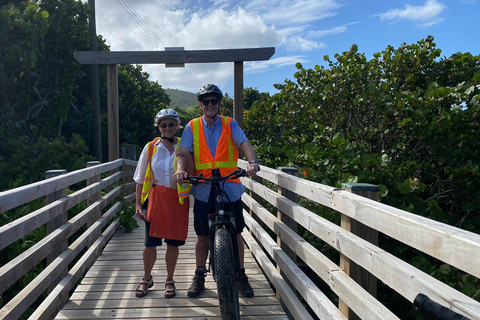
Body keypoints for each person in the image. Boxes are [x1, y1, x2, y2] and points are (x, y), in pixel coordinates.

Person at [173, 84, 261, 298]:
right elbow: (182, 153)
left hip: (229, 183)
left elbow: (244, 144)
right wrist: (181, 170)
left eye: (214, 101)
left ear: (219, 104)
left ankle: (241, 275)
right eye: (206, 101)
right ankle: (199, 275)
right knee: (202, 235)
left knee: (237, 232)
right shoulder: (191, 126)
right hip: (203, 185)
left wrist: (252, 161)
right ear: (201, 105)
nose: (210, 105)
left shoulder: (230, 123)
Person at [133, 108, 193, 299]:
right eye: (163, 124)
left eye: (171, 124)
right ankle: (146, 277)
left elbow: (193, 171)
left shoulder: (185, 146)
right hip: (156, 198)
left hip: (178, 199)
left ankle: (169, 279)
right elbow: (140, 177)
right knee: (150, 242)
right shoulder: (150, 147)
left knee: (172, 243)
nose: (168, 127)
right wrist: (137, 204)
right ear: (158, 127)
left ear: (177, 126)